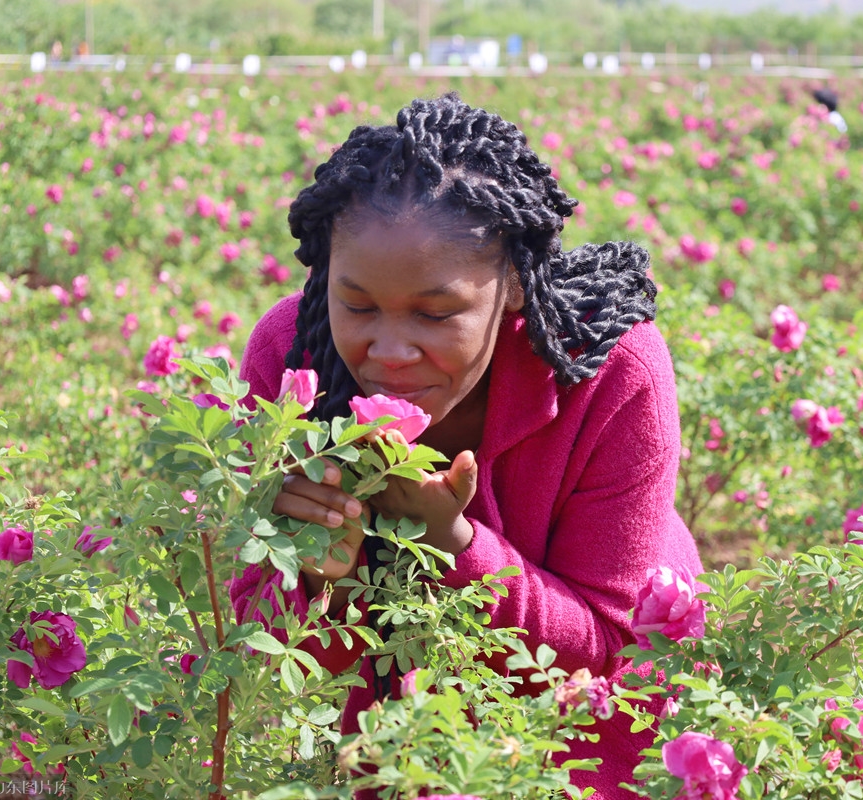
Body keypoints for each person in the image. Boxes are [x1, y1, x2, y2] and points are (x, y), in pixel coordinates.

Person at [230, 92, 703, 798]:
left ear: (513, 285)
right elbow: (256, 637)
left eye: (435, 313)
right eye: (356, 304)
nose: (388, 350)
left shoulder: (614, 370)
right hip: (402, 710)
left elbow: (604, 652)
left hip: (603, 711)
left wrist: (451, 541)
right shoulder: (290, 353)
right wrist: (316, 580)